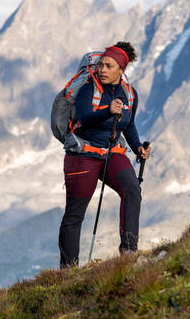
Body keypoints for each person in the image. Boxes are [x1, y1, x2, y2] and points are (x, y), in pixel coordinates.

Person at [58, 41, 152, 268]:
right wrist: (106, 111)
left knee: (132, 189)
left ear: (122, 70)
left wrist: (138, 147)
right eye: (101, 65)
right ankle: (68, 270)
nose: (103, 70)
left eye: (109, 66)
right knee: (75, 214)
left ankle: (129, 253)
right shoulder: (88, 88)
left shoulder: (129, 93)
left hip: (111, 152)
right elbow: (83, 118)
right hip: (82, 154)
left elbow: (128, 125)